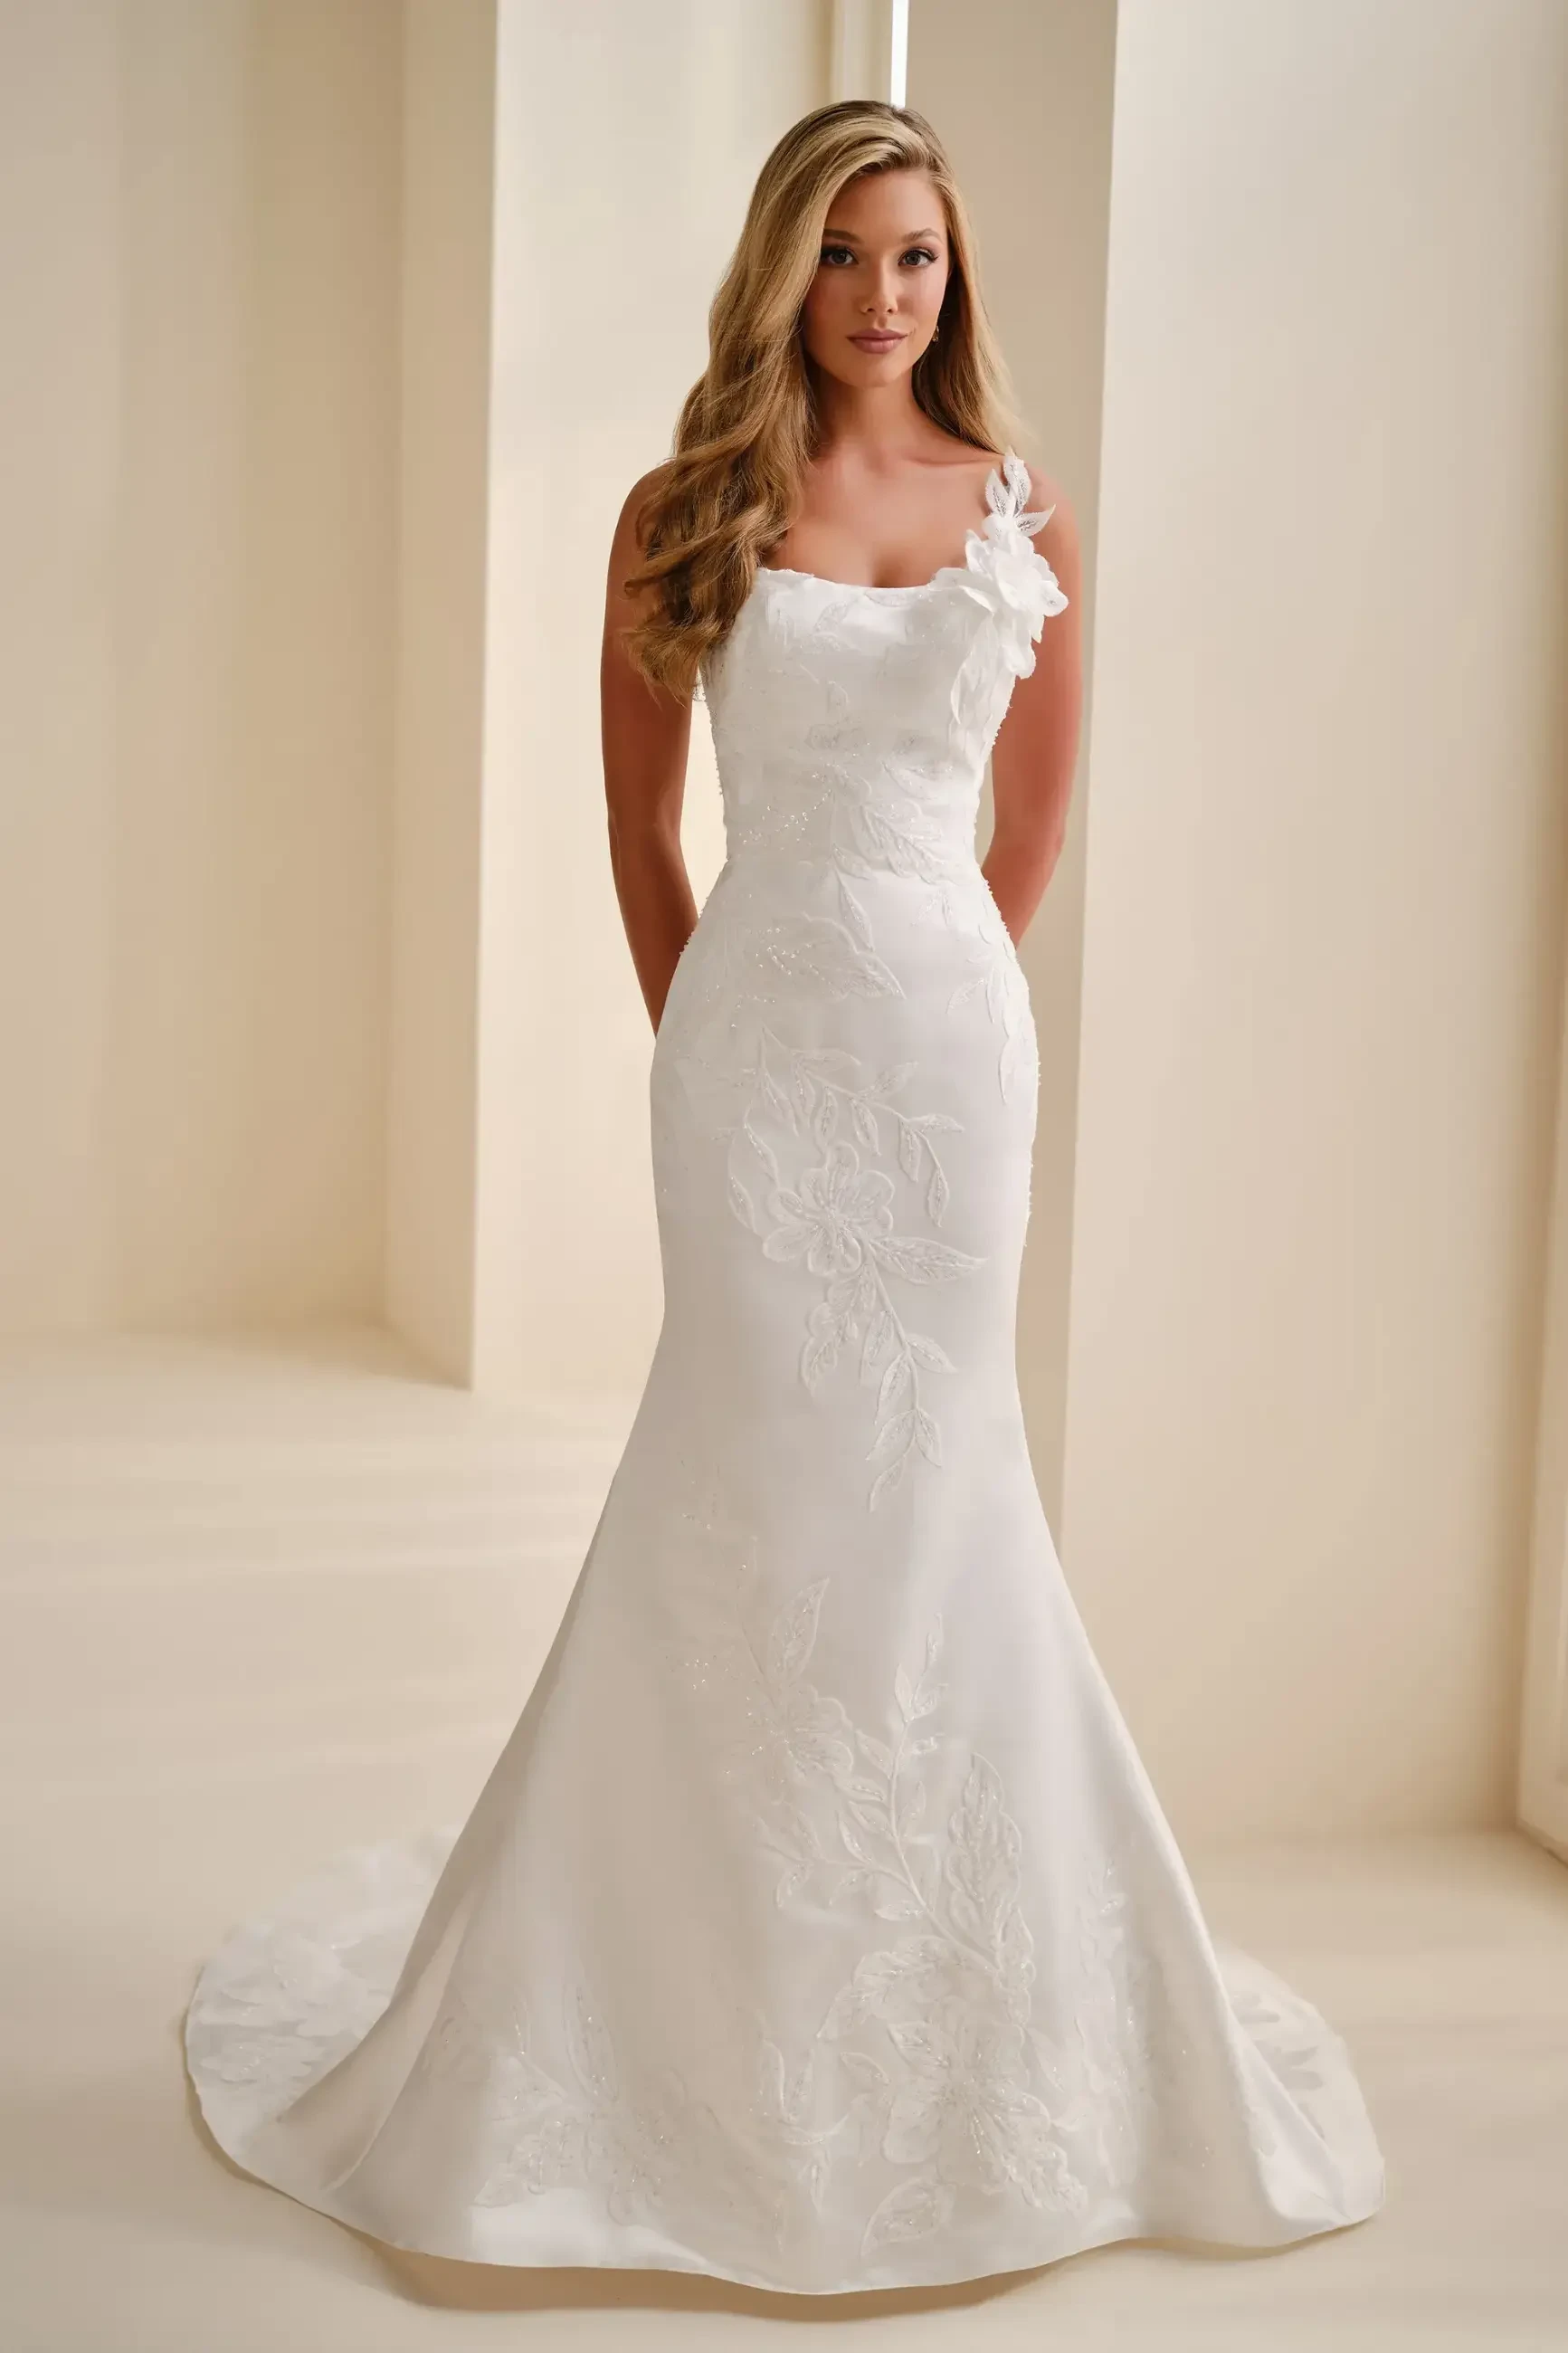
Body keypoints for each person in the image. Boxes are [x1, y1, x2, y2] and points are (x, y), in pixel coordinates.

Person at [185, 99, 1384, 2294]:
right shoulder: (683, 510)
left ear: (956, 276)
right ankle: (654, 2005)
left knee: (937, 1494)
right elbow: (645, 839)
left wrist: (927, 998)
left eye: (914, 255)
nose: (879, 295)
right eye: (842, 253)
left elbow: (1023, 827)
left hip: (938, 1078)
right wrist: (718, 1039)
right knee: (736, 1487)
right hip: (749, 1080)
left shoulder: (1017, 511)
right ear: (781, 267)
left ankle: (967, 2029)